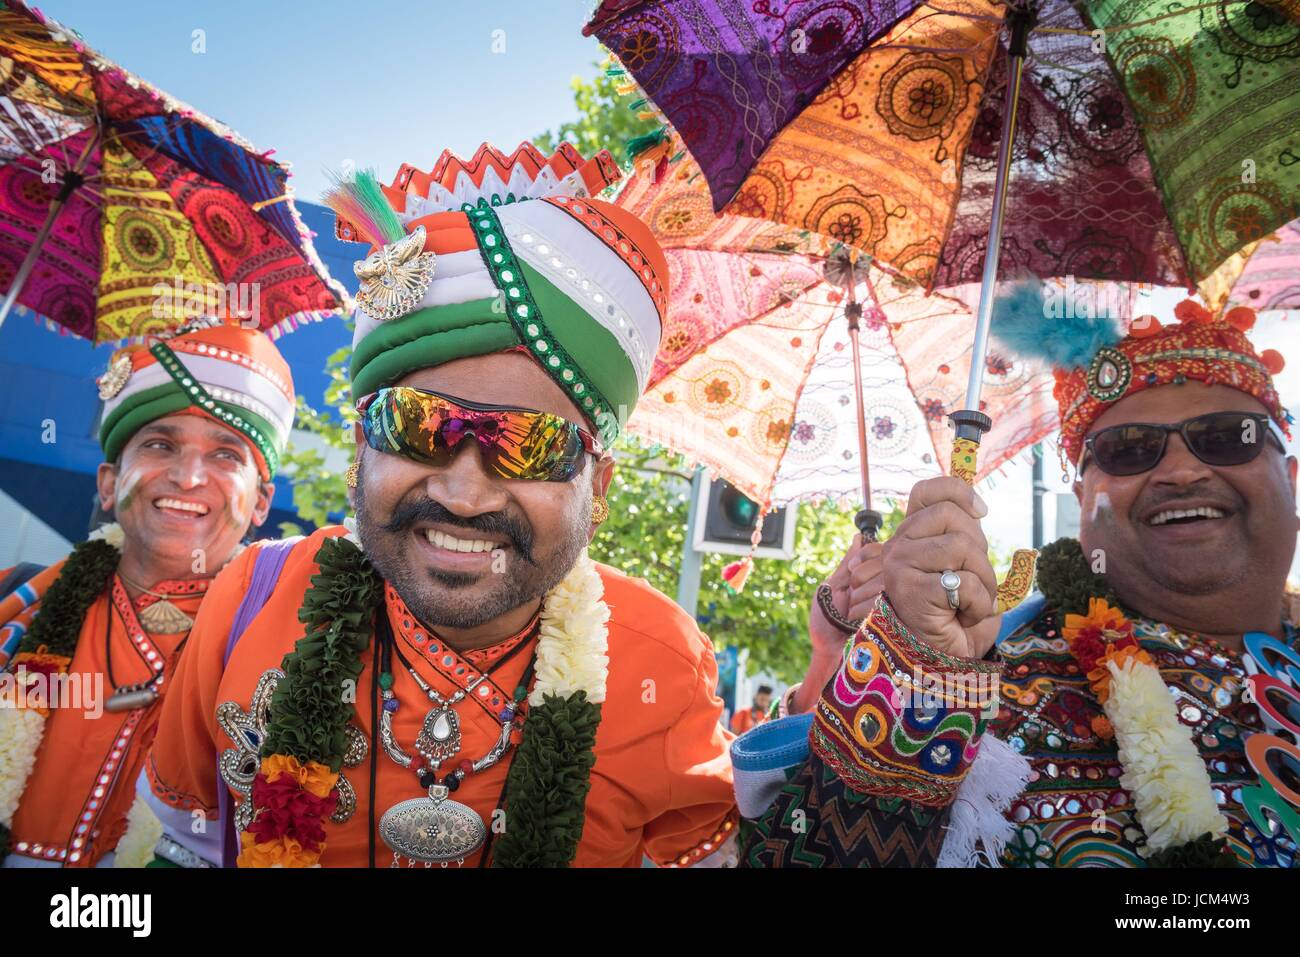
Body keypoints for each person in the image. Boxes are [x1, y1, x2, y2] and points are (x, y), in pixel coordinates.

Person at [141, 141, 845, 868]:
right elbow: (185, 845)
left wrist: (866, 683)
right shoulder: (251, 602)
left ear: (597, 486)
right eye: (417, 425)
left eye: (532, 444)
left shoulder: (663, 663)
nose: (463, 492)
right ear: (361, 444)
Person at [738, 289, 1300, 868]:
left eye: (1230, 437)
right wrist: (913, 677)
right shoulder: (976, 686)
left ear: (1291, 476)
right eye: (1129, 449)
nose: (1182, 471)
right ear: (1083, 496)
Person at [0, 319, 294, 867]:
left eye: (226, 455)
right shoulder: (15, 601)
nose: (187, 478)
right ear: (110, 482)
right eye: (160, 444)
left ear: (260, 502)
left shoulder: (289, 649)